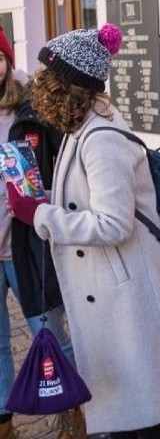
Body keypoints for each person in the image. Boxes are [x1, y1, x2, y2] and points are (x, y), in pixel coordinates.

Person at [6, 24, 160, 438]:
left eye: (46, 78)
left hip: (123, 297)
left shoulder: (100, 137)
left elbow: (112, 223)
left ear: (69, 85)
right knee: (133, 412)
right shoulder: (80, 127)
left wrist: (41, 214)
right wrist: (41, 195)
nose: (38, 86)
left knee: (139, 415)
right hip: (110, 290)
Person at [0, 26, 84, 439]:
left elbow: (62, 171)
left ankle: (73, 411)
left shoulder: (33, 110)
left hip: (27, 243)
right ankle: (3, 421)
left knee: (48, 329)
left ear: (7, 61)